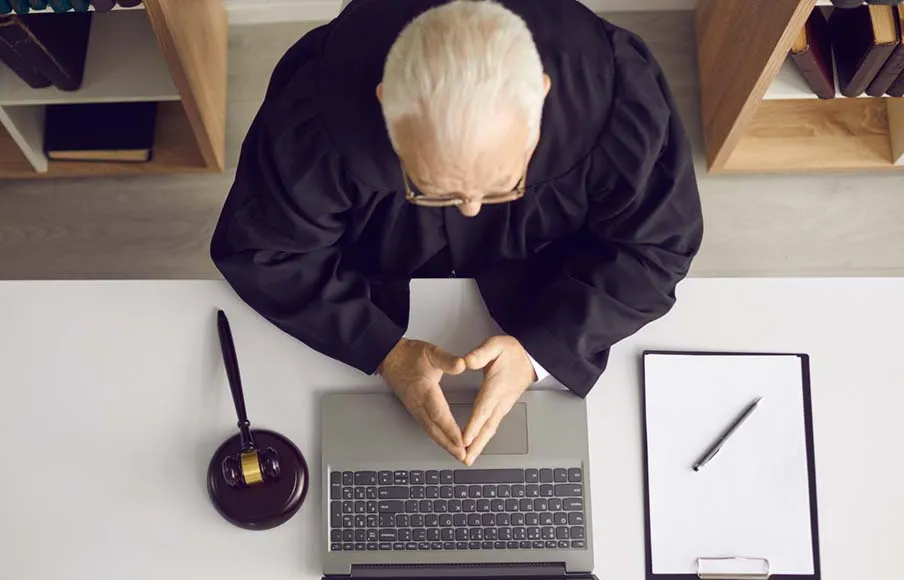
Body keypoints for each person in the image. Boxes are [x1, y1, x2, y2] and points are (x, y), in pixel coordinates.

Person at [211, 0, 703, 466]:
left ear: (542, 94)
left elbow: (655, 247)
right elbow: (264, 250)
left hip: (543, 279)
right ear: (387, 105)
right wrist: (382, 348)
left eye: (503, 186)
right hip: (377, 275)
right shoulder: (318, 112)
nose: (470, 210)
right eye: (433, 190)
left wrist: (539, 351)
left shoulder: (616, 94)